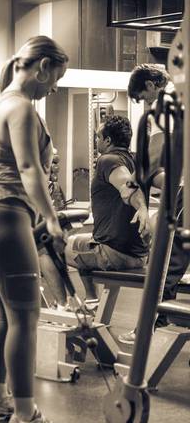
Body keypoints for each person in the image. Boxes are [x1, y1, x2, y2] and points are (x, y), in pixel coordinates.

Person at [0, 36, 74, 423]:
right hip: (6, 217)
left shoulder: (0, 104)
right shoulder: (21, 108)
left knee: (4, 315)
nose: (54, 88)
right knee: (26, 317)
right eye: (56, 78)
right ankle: (26, 418)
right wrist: (51, 217)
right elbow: (29, 168)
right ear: (43, 67)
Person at [39, 116, 149, 310]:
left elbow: (127, 185)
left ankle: (62, 306)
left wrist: (141, 207)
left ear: (108, 140)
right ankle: (91, 301)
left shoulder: (108, 160)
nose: (96, 141)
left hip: (115, 255)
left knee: (44, 249)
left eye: (98, 136)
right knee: (82, 241)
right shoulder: (134, 160)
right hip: (137, 254)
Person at [117, 63, 188, 343]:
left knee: (167, 261)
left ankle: (151, 324)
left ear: (150, 85)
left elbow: (155, 155)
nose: (146, 104)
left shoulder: (165, 102)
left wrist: (132, 182)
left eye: (143, 97)